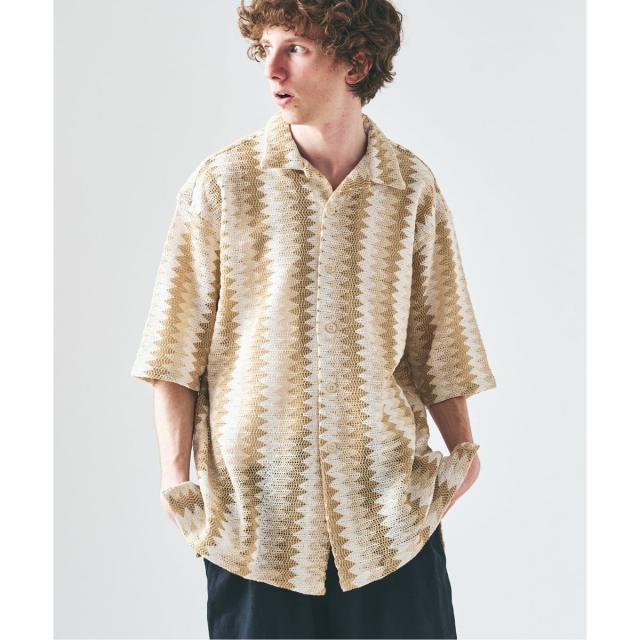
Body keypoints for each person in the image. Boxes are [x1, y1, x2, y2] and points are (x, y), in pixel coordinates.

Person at [131, 1, 497, 638]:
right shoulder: (223, 185)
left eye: (295, 49)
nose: (271, 69)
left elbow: (441, 339)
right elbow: (173, 344)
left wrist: (463, 456)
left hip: (388, 521)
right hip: (255, 523)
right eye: (266, 49)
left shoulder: (410, 188)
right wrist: (175, 480)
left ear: (356, 63)